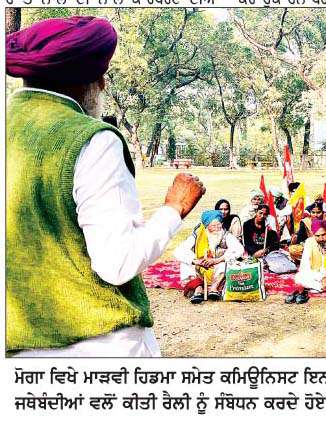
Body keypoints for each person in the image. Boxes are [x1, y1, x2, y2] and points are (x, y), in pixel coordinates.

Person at [6, 16, 205, 357]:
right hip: (97, 349)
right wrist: (174, 209)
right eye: (102, 75)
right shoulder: (92, 140)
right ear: (88, 79)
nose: (103, 84)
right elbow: (118, 262)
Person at [174, 210, 244, 304]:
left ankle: (214, 288)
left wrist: (217, 260)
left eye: (219, 225)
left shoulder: (225, 235)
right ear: (207, 226)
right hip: (200, 267)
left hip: (217, 268)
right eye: (213, 226)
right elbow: (178, 251)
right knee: (185, 263)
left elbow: (240, 249)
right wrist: (196, 261)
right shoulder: (197, 235)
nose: (217, 228)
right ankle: (198, 289)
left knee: (227, 263)